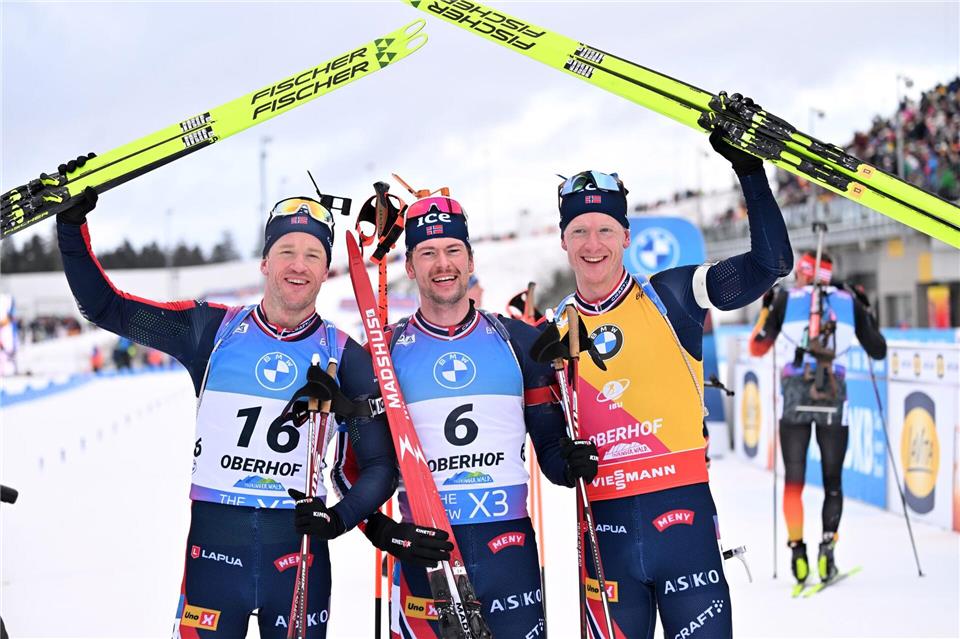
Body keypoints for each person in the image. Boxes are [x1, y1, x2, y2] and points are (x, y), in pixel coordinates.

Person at [55, 173, 396, 638]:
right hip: (214, 559)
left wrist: (338, 519)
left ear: (326, 269)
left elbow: (380, 466)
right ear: (264, 262)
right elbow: (106, 308)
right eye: (287, 252)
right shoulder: (211, 331)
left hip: (298, 557)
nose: (299, 265)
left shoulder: (345, 355)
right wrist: (71, 230)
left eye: (313, 254)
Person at [551, 130, 793, 637]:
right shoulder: (550, 333)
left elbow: (771, 265)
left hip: (685, 532)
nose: (592, 245)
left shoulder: (673, 296)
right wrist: (558, 457)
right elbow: (542, 438)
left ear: (626, 235)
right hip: (604, 542)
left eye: (605, 230)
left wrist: (750, 173)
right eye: (579, 232)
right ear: (563, 241)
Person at [331, 193, 598, 637]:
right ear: (410, 267)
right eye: (428, 253)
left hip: (509, 556)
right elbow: (349, 468)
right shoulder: (383, 352)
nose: (443, 263)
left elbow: (550, 451)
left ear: (471, 260)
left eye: (453, 250)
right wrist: (383, 531)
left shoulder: (518, 341)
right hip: (425, 560)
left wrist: (571, 461)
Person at [750, 250, 886, 585]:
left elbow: (757, 347)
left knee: (793, 482)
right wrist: (865, 309)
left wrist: (766, 308)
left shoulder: (784, 298)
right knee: (832, 483)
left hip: (795, 397)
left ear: (804, 274)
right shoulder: (847, 299)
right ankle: (828, 551)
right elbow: (878, 350)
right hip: (833, 397)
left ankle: (797, 553)